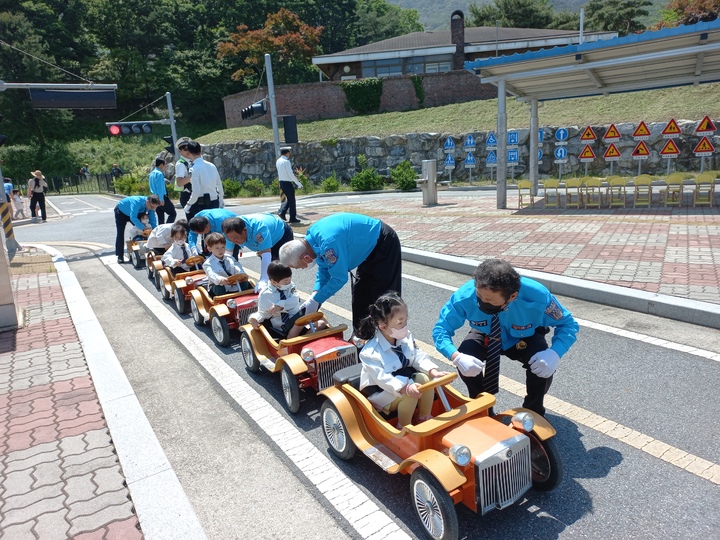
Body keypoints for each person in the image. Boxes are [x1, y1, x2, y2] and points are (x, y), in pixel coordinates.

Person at [432, 259, 579, 417]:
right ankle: (481, 407)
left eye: (488, 299)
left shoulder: (538, 296)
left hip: (526, 335)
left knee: (541, 366)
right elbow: (441, 329)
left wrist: (555, 353)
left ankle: (533, 412)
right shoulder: (465, 296)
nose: (481, 301)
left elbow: (568, 324)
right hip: (486, 332)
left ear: (512, 296)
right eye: (479, 295)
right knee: (467, 354)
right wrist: (456, 357)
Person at [278, 212, 402, 334]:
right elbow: (324, 268)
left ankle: (393, 338)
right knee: (361, 296)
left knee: (383, 297)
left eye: (297, 267)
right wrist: (315, 294)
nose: (300, 269)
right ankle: (361, 337)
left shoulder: (328, 243)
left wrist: (317, 300)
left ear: (305, 258)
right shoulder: (312, 240)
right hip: (367, 251)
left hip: (383, 243)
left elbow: (339, 278)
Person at [357, 292, 447, 429]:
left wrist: (432, 370)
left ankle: (424, 417)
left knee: (424, 378)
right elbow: (383, 379)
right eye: (400, 322)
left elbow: (416, 355)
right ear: (383, 326)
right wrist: (404, 387)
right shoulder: (370, 353)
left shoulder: (405, 336)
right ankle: (403, 426)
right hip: (383, 392)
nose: (405, 326)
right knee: (409, 394)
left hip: (406, 379)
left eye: (406, 320)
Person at [248, 261, 327, 340]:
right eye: (286, 281)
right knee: (298, 325)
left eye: (290, 279)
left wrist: (281, 305)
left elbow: (295, 299)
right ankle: (291, 341)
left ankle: (305, 339)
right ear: (274, 282)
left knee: (321, 324)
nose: (289, 282)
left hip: (297, 318)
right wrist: (255, 319)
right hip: (283, 326)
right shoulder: (265, 295)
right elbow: (263, 313)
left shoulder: (290, 285)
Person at [221, 214, 294, 292]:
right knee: (270, 271)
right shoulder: (229, 232)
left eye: (236, 238)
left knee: (279, 268)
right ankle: (271, 291)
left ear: (244, 231)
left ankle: (289, 292)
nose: (233, 241)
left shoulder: (259, 230)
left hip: (280, 235)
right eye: (230, 239)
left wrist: (263, 280)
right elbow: (228, 255)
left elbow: (266, 255)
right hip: (264, 240)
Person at [114, 194, 161, 264]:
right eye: (151, 206)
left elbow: (152, 219)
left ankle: (142, 249)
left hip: (136, 213)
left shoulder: (150, 206)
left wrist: (154, 231)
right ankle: (120, 256)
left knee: (143, 231)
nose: (152, 208)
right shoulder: (137, 202)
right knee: (120, 233)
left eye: (155, 207)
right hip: (121, 212)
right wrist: (143, 227)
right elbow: (133, 217)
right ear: (147, 202)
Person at [183, 141, 224, 216]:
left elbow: (196, 191)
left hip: (201, 204)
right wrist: (221, 199)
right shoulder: (212, 165)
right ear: (201, 151)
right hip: (215, 202)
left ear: (188, 153)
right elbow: (219, 184)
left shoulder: (194, 169)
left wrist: (189, 204)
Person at [276, 147, 303, 223]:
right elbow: (290, 174)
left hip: (281, 182)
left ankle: (282, 212)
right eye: (289, 153)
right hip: (287, 183)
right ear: (287, 153)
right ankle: (292, 218)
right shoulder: (286, 162)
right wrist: (298, 183)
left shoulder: (278, 161)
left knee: (290, 199)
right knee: (292, 201)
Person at [149, 157, 176, 225]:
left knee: (160, 218)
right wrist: (161, 199)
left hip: (153, 197)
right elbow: (160, 187)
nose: (165, 167)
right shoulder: (159, 174)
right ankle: (166, 228)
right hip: (161, 197)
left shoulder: (152, 173)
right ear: (161, 165)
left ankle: (160, 231)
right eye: (165, 165)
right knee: (173, 213)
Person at [174, 137, 194, 218]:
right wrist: (192, 176)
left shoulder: (193, 160)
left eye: (189, 148)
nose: (188, 151)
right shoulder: (181, 164)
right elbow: (179, 183)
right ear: (180, 151)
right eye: (185, 149)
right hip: (188, 195)